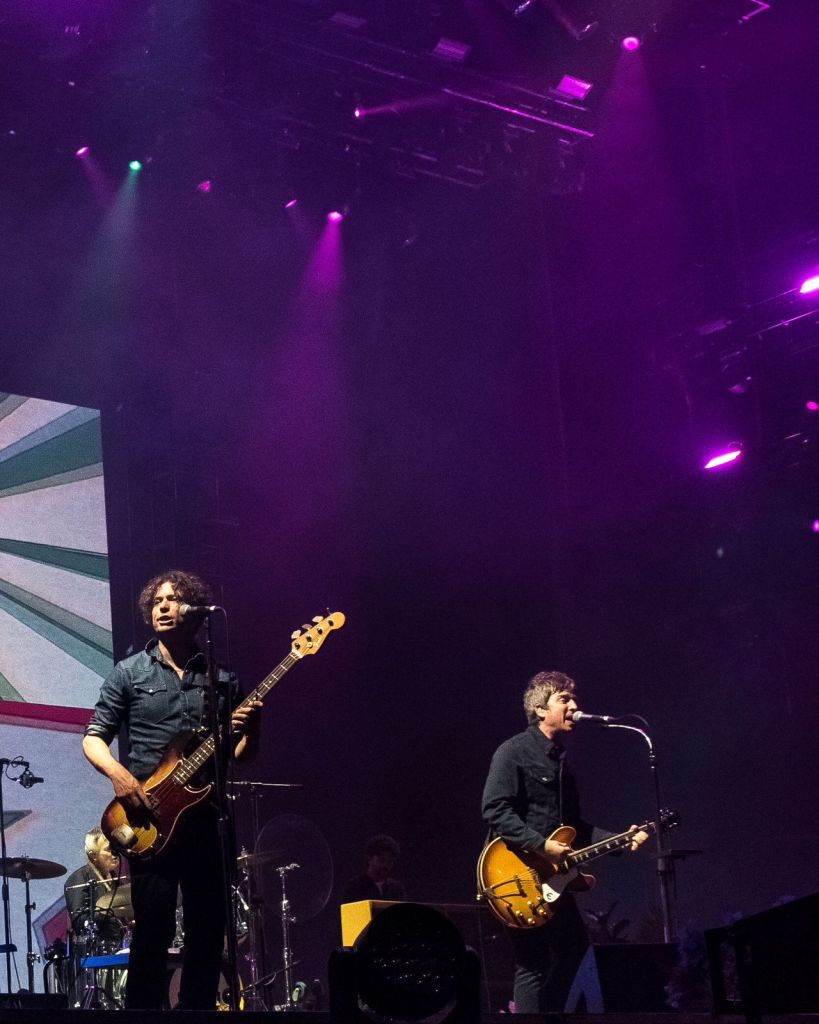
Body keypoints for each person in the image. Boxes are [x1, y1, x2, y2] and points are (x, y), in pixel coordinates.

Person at [82, 570, 262, 1010]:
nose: (163, 605)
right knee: (154, 928)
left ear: (195, 610)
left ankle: (196, 1012)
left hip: (207, 817)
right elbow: (93, 738)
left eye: (175, 599)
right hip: (150, 816)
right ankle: (144, 1013)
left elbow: (239, 755)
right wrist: (120, 777)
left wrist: (252, 730)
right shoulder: (130, 672)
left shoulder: (221, 677)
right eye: (157, 600)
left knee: (208, 928)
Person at [481, 670, 648, 1013]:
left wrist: (620, 840)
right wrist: (542, 845)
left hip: (552, 877)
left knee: (575, 950)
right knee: (532, 963)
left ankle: (547, 1015)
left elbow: (575, 828)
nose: (575, 705)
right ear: (540, 710)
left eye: (574, 698)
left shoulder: (562, 763)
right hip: (514, 872)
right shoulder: (513, 751)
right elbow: (494, 809)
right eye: (564, 699)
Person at [63, 827, 129, 1007]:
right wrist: (106, 912)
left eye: (116, 848)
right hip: (96, 957)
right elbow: (79, 921)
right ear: (93, 855)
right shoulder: (79, 878)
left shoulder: (116, 879)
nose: (115, 854)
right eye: (109, 849)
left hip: (118, 951)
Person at [341, 834, 406, 903]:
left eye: (390, 861)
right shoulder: (354, 887)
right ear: (369, 858)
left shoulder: (396, 889)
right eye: (382, 859)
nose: (385, 865)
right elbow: (349, 913)